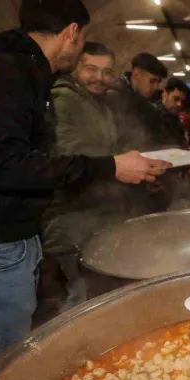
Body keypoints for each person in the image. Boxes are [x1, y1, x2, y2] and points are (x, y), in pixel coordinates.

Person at [0, 0, 169, 374]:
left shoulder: (12, 67)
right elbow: (8, 166)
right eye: (83, 38)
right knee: (3, 371)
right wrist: (111, 167)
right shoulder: (3, 70)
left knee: (5, 363)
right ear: (72, 32)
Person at [42, 41, 125, 311]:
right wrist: (118, 164)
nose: (100, 78)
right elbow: (66, 153)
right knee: (81, 297)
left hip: (95, 213)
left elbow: (107, 149)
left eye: (107, 72)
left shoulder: (99, 104)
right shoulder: (63, 98)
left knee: (94, 293)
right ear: (76, 66)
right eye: (92, 69)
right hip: (69, 217)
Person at [151, 77, 190, 148]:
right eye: (176, 99)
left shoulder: (176, 119)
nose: (179, 104)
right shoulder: (151, 115)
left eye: (183, 101)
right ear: (165, 94)